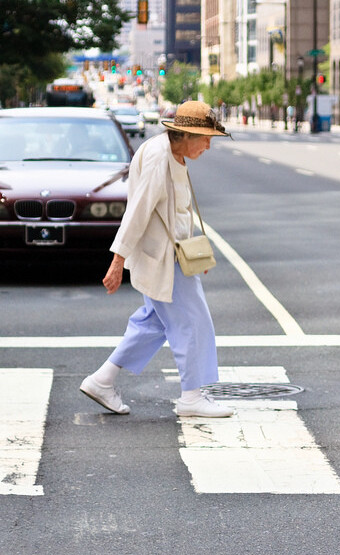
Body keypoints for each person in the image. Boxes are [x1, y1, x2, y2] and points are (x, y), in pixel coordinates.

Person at [80, 100, 234, 419]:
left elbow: (176, 214)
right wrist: (117, 262)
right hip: (160, 260)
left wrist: (194, 251)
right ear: (185, 134)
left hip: (172, 257)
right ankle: (192, 396)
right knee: (193, 322)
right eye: (205, 137)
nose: (208, 144)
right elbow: (137, 212)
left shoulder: (174, 155)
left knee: (152, 324)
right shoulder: (157, 157)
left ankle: (102, 381)